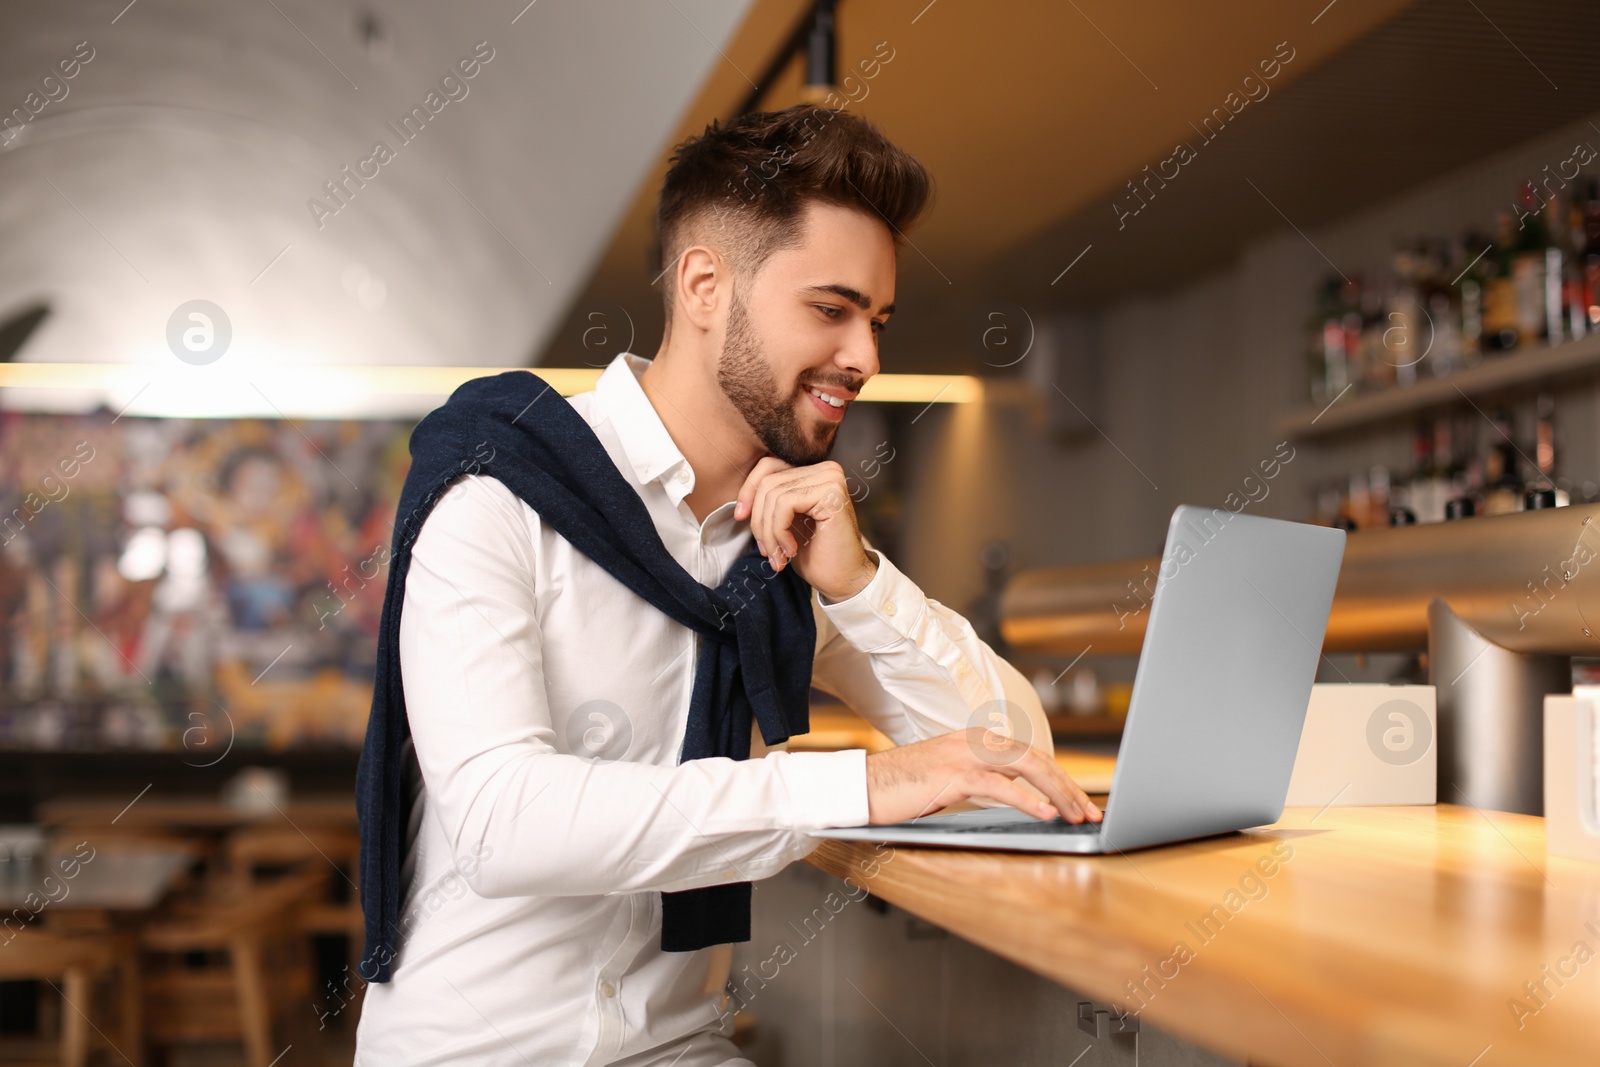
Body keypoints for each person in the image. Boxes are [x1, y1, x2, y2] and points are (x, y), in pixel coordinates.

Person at [354, 103, 1101, 1066]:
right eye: (831, 310)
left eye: (876, 321)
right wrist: (864, 784)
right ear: (704, 284)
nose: (868, 359)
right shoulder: (499, 492)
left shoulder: (781, 553)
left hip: (677, 1048)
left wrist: (861, 585)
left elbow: (1014, 759)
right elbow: (505, 822)